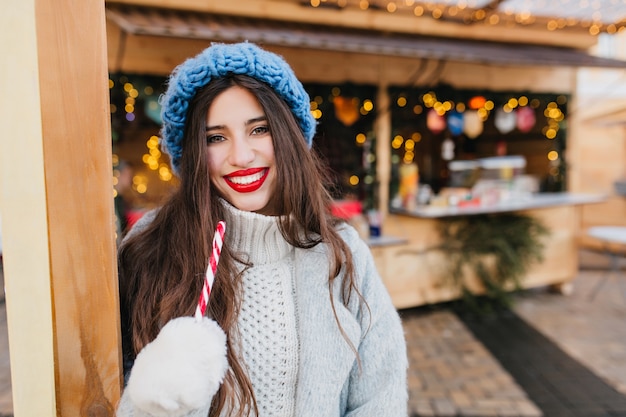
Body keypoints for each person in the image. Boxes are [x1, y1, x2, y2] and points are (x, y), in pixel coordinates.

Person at [116, 42, 408, 417]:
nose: (240, 156)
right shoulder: (149, 248)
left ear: (287, 135)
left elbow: (380, 398)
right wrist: (148, 403)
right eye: (215, 137)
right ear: (192, 151)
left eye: (259, 129)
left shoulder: (342, 253)